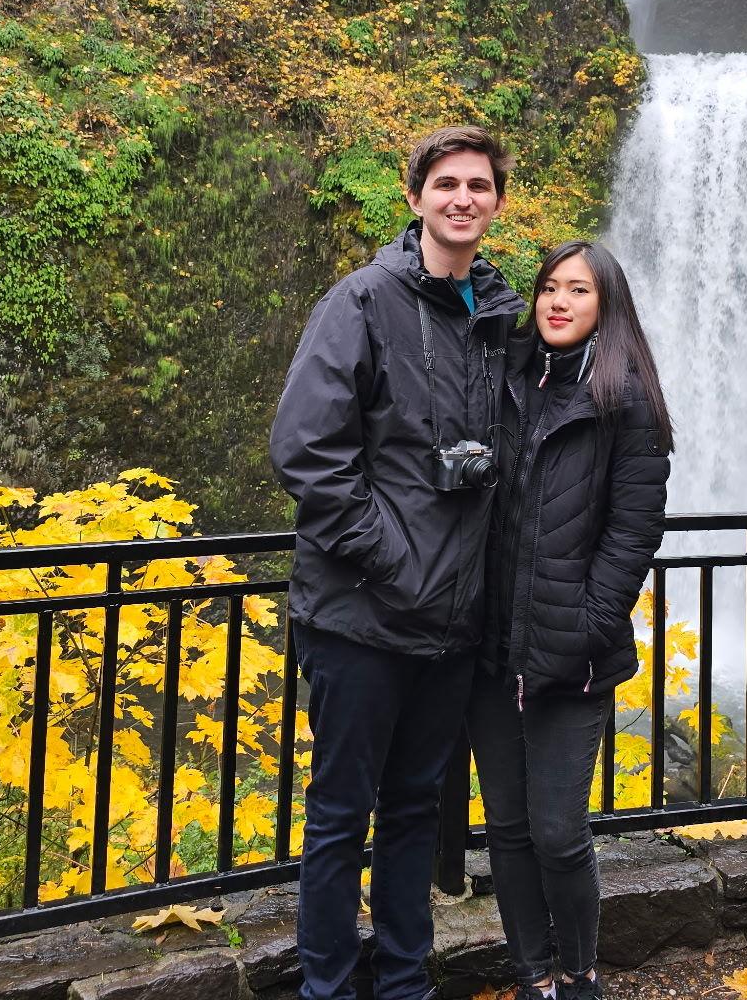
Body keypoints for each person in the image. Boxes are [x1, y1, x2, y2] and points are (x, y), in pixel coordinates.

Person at [271, 126, 524, 1000]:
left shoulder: (496, 318)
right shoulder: (363, 301)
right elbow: (307, 451)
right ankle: (329, 990)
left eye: (480, 186)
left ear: (496, 203)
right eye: (446, 183)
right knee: (341, 819)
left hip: (452, 625)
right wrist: (396, 563)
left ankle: (406, 984)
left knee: (418, 813)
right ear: (415, 198)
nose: (463, 198)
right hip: (362, 617)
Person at [469, 241, 672, 1000]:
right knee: (509, 831)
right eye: (549, 287)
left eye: (578, 290)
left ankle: (581, 974)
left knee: (557, 831)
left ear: (606, 306)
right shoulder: (513, 380)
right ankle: (532, 974)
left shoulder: (627, 403)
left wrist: (587, 624)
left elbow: (633, 531)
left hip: (573, 656)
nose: (558, 301)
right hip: (492, 649)